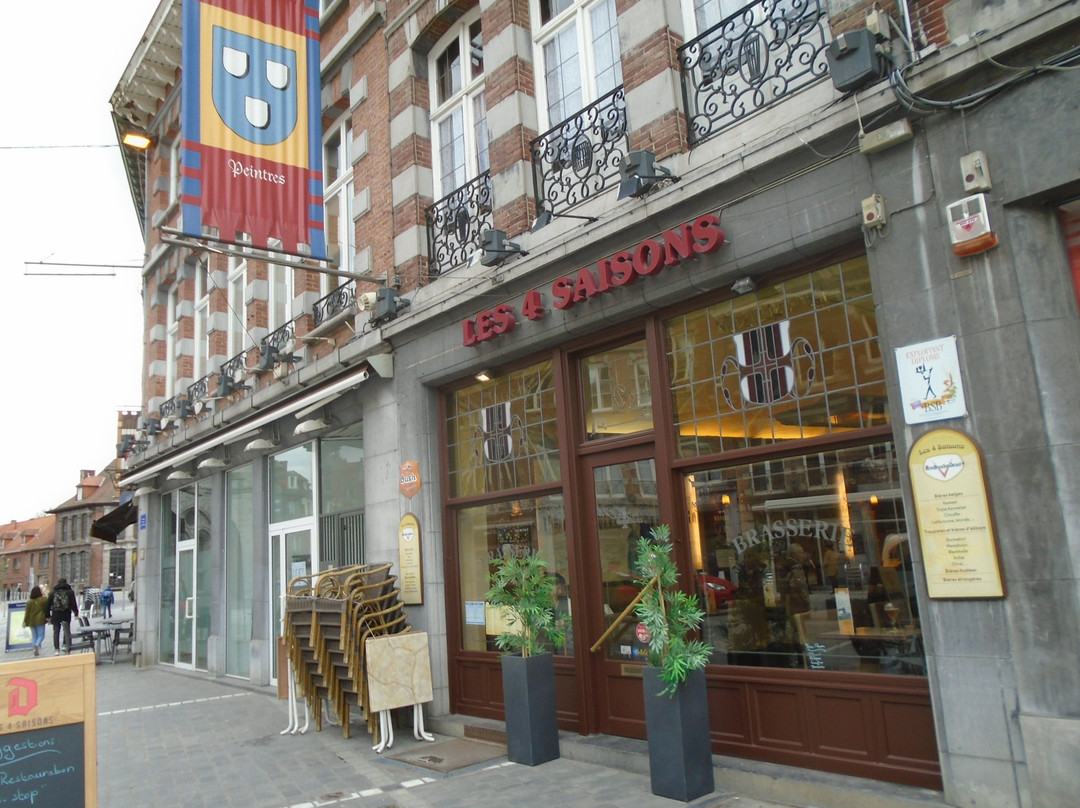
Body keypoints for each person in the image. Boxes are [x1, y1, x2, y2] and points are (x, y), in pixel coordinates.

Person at [45, 577, 78, 653]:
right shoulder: (70, 592)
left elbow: (48, 605)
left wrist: (47, 616)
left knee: (56, 631)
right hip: (66, 613)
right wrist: (76, 612)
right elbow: (73, 603)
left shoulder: (53, 593)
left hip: (56, 614)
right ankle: (64, 645)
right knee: (66, 629)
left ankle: (56, 649)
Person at [22, 586, 49, 656]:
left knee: (34, 636)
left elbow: (27, 613)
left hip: (31, 621)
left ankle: (34, 649)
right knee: (41, 635)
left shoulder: (29, 602)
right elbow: (47, 608)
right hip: (40, 620)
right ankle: (37, 644)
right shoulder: (43, 600)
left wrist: (25, 621)